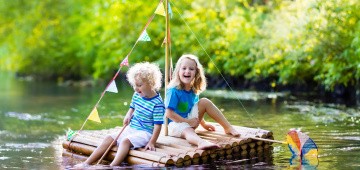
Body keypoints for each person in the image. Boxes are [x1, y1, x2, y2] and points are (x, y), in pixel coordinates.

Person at [75, 62, 164, 167]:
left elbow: (158, 126)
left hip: (145, 132)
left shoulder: (157, 103)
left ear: (151, 83)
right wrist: (128, 115)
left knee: (125, 141)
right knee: (109, 137)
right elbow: (132, 107)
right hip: (131, 127)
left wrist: (152, 142)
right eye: (134, 85)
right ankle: (87, 163)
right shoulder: (137, 95)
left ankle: (113, 166)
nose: (136, 88)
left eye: (139, 85)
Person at [165, 54, 240, 150]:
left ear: (196, 73)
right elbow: (169, 113)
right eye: (184, 68)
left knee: (204, 101)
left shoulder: (193, 90)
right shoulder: (173, 90)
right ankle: (201, 142)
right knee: (187, 130)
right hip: (174, 125)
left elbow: (194, 109)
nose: (187, 71)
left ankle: (227, 127)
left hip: (189, 122)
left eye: (191, 69)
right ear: (178, 71)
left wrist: (203, 124)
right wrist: (187, 122)